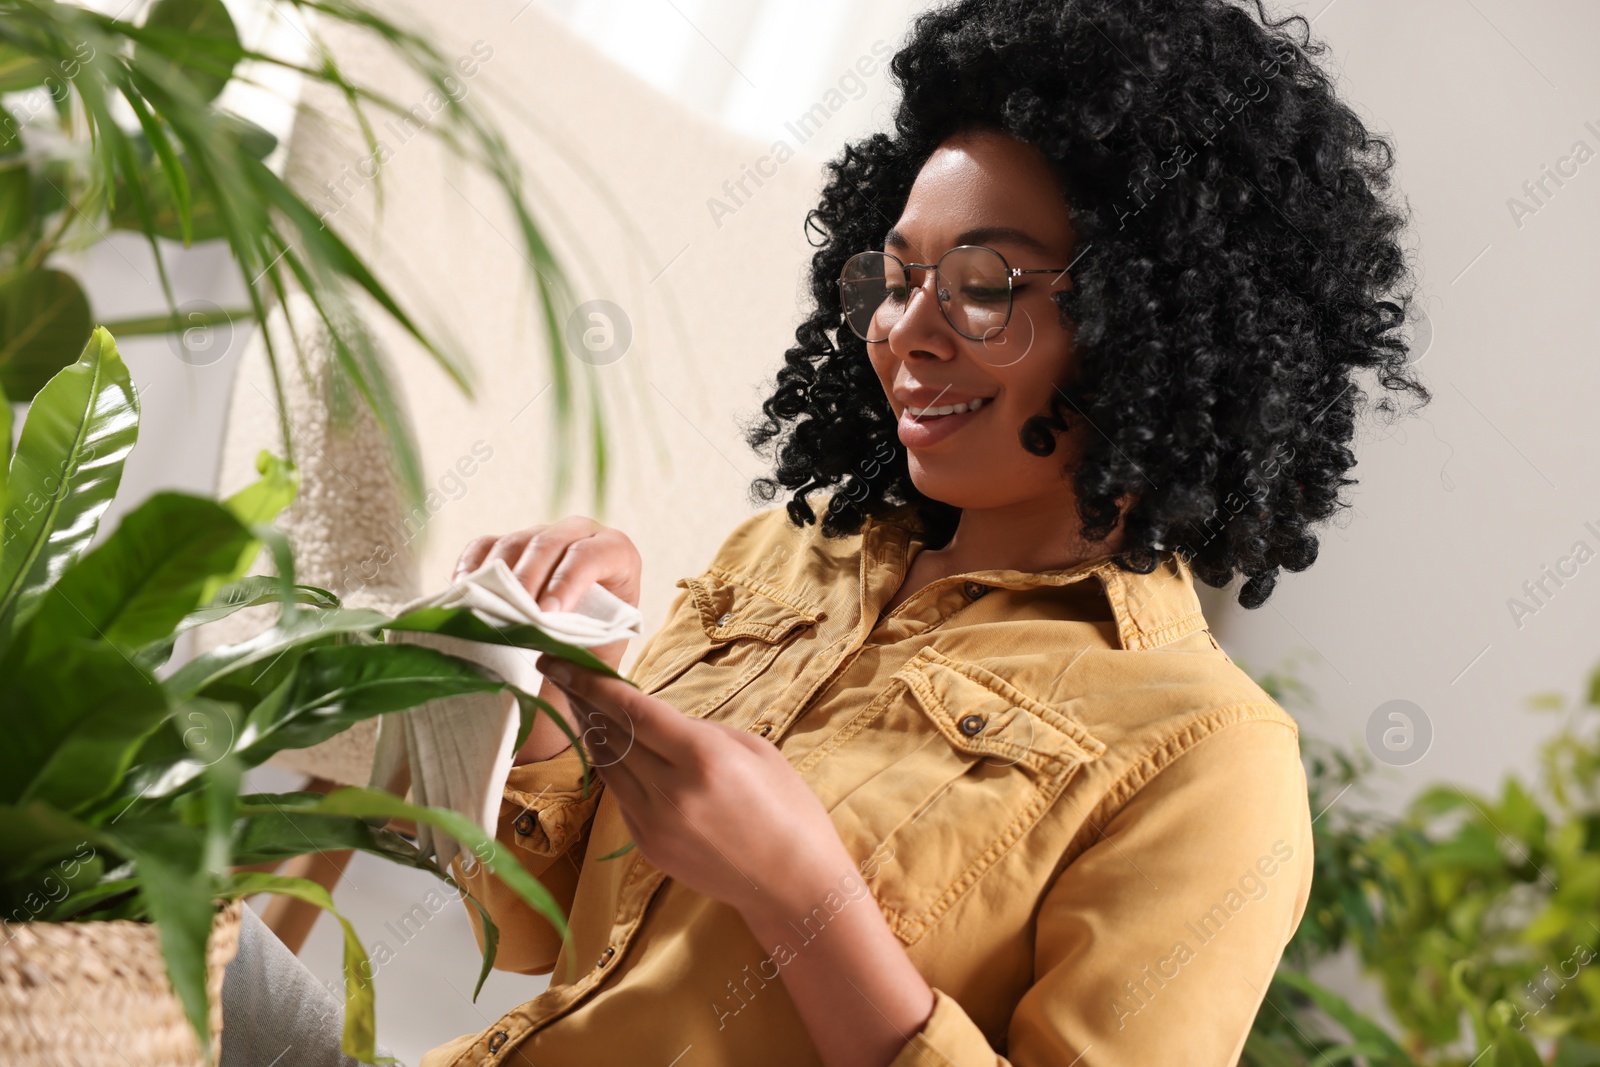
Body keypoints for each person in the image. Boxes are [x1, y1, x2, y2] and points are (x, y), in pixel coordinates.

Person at [223, 0, 1429, 1063]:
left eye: (988, 285)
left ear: (1156, 328)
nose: (906, 332)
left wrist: (801, 892)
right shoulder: (796, 548)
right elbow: (532, 929)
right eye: (896, 277)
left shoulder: (1206, 759)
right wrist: (557, 676)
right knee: (74, 903)